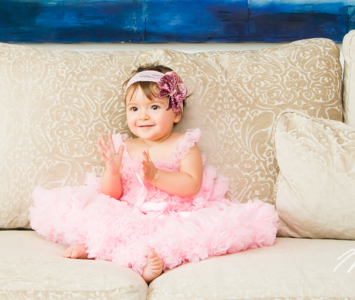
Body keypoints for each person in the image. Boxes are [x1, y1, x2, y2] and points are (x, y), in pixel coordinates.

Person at [29, 65, 278, 282]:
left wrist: (156, 176)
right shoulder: (126, 146)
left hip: (172, 214)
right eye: (134, 109)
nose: (143, 116)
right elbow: (111, 196)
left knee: (175, 237)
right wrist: (112, 171)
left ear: (176, 112)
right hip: (129, 212)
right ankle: (94, 247)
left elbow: (192, 184)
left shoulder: (183, 145)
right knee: (109, 223)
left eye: (154, 106)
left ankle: (145, 263)